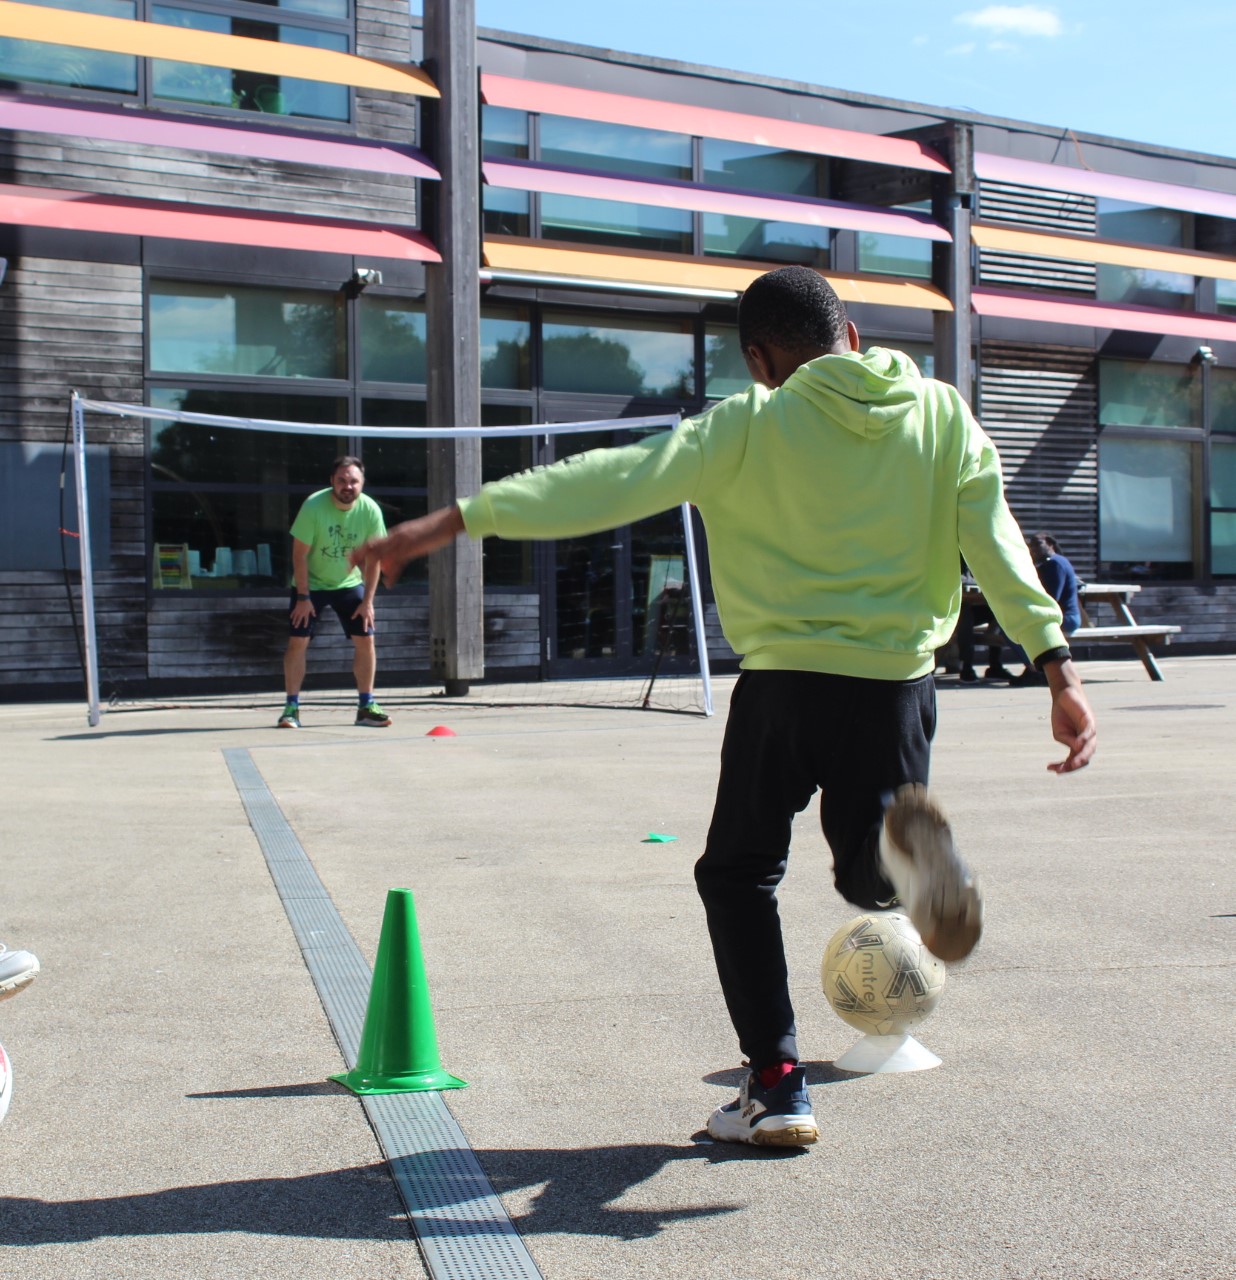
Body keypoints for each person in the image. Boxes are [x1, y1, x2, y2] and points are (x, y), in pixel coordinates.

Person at [351, 266, 1097, 1148]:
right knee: (868, 875)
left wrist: (454, 520)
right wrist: (1058, 669)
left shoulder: (747, 423)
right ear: (850, 333)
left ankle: (777, 1085)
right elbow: (999, 546)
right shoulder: (940, 414)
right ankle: (909, 863)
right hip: (896, 686)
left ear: (758, 358)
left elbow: (609, 480)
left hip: (782, 687)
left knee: (739, 873)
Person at [278, 456, 392, 729]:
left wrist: (368, 602)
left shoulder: (370, 510)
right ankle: (291, 708)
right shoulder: (313, 506)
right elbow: (299, 555)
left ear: (362, 483)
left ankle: (366, 706)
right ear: (332, 482)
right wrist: (304, 597)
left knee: (365, 639)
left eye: (353, 481)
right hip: (311, 584)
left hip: (348, 583)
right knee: (298, 641)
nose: (347, 486)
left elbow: (374, 560)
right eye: (341, 480)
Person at [1011, 533, 1082, 685]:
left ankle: (1036, 669)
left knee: (1012, 628)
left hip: (1066, 617)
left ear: (1050, 544)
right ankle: (1034, 666)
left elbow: (1051, 597)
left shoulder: (1055, 564)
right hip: (1065, 615)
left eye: (1038, 544)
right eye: (1031, 545)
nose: (1034, 549)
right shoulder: (1053, 563)